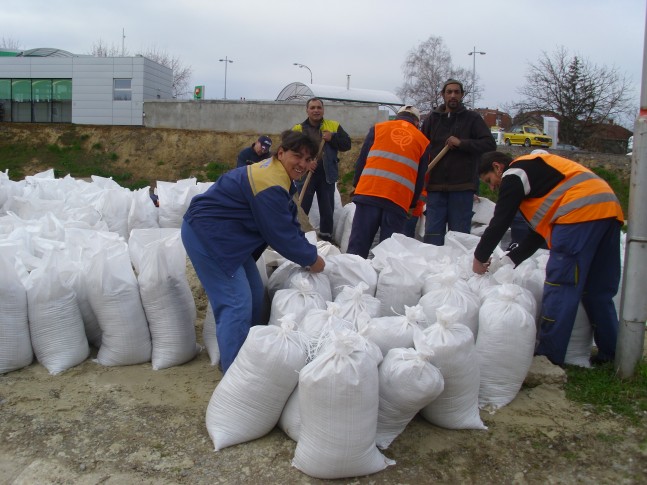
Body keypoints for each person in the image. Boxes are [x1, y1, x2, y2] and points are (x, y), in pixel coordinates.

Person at [181, 130, 325, 373]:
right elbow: (280, 234)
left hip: (229, 237)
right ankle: (235, 374)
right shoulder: (269, 181)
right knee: (237, 303)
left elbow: (288, 220)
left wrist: (308, 248)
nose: (301, 163)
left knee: (256, 294)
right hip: (208, 234)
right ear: (281, 153)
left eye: (307, 159)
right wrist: (312, 259)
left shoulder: (279, 175)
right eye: (296, 156)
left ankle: (252, 352)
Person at [472, 151, 624, 366]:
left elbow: (500, 221)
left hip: (578, 214)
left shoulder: (514, 173)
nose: (493, 187)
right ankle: (611, 355)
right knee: (598, 290)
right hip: (608, 211)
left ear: (498, 167)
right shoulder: (540, 180)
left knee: (561, 285)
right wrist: (509, 260)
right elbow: (537, 234)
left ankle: (548, 359)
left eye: (489, 180)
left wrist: (479, 257)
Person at [346, 105, 430, 258]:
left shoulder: (378, 128)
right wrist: (411, 204)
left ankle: (351, 278)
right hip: (398, 200)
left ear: (397, 116)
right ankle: (382, 280)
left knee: (358, 246)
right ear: (417, 123)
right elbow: (420, 179)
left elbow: (362, 161)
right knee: (388, 253)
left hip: (369, 193)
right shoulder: (423, 141)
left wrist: (357, 185)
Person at [421, 78, 496, 246]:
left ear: (462, 95)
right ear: (443, 95)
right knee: (432, 236)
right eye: (449, 92)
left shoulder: (472, 119)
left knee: (459, 238)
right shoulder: (432, 120)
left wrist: (462, 143)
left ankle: (457, 271)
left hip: (462, 188)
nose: (453, 95)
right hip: (435, 187)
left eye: (456, 92)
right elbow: (422, 148)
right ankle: (433, 271)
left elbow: (489, 144)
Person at [292, 97, 352, 241]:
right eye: (312, 108)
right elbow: (292, 151)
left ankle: (326, 240)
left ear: (323, 110)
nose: (316, 110)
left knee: (327, 209)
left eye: (319, 107)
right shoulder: (298, 129)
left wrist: (333, 138)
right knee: (302, 207)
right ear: (307, 110)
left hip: (327, 175)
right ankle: (299, 236)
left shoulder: (333, 126)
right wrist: (306, 164)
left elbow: (347, 144)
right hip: (306, 175)